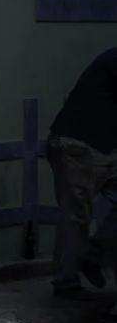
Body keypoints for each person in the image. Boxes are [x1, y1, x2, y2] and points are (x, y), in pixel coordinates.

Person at [47, 46, 117, 299]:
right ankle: (67, 283)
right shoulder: (114, 59)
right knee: (75, 216)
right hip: (79, 146)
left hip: (97, 148)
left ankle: (93, 255)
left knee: (75, 216)